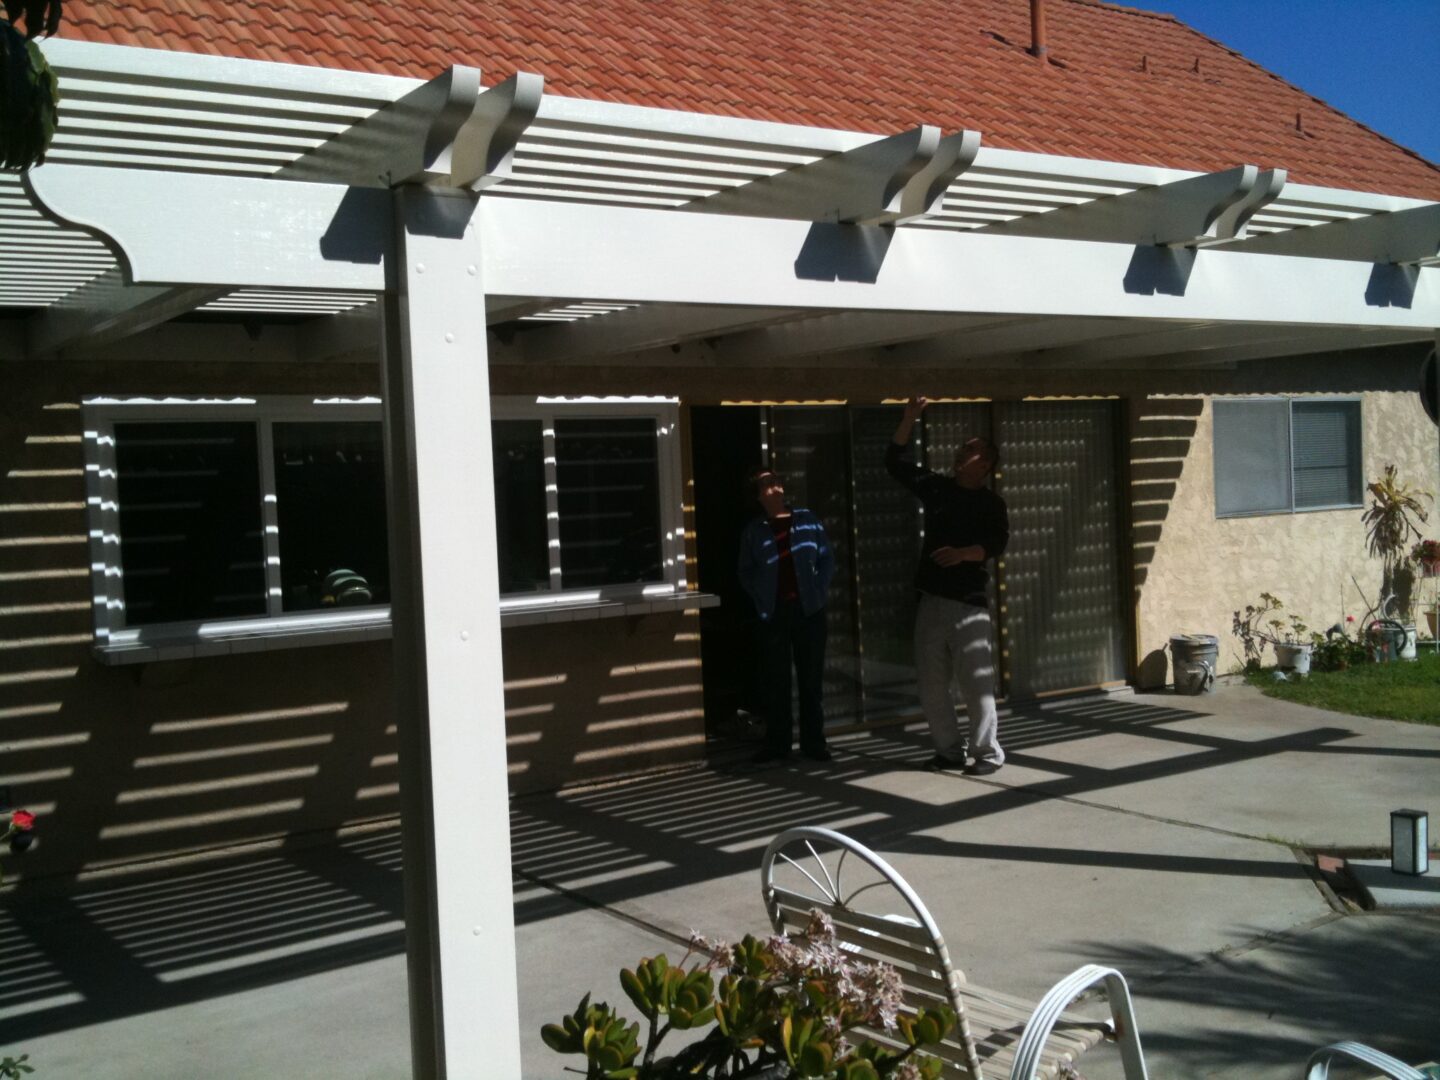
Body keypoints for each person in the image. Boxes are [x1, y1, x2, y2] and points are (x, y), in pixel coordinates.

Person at [886, 396, 1009, 776]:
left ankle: (987, 754)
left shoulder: (991, 503)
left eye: (969, 451)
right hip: (931, 600)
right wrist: (909, 418)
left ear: (985, 465)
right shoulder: (938, 488)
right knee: (933, 684)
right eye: (960, 449)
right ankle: (948, 752)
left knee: (976, 685)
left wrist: (963, 554)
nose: (960, 454)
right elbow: (895, 462)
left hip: (968, 605)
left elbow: (997, 543)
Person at [736, 469, 835, 763]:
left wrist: (818, 589)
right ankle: (778, 744)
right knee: (776, 680)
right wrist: (762, 597)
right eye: (766, 483)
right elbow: (745, 570)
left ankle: (814, 742)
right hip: (775, 611)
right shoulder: (755, 530)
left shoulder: (806, 519)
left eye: (777, 480)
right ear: (758, 494)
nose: (774, 486)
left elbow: (826, 556)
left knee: (810, 679)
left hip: (809, 610)